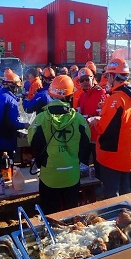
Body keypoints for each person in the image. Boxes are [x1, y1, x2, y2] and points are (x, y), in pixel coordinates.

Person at [28, 75, 90, 213]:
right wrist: (76, 159)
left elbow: (32, 142)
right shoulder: (79, 119)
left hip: (49, 175)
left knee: (50, 215)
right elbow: (86, 144)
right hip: (72, 175)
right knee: (71, 214)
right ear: (70, 96)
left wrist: (42, 161)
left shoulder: (41, 118)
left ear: (52, 94)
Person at [91, 58, 131, 198]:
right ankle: (126, 217)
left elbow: (103, 128)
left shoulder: (116, 99)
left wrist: (95, 121)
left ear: (113, 76)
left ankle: (116, 218)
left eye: (108, 75)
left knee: (112, 194)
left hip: (112, 156)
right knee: (125, 191)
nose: (107, 79)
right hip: (129, 153)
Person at [77, 67, 108, 180]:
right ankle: (85, 188)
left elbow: (106, 116)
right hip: (85, 135)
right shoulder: (82, 96)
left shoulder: (101, 93)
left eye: (87, 79)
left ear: (93, 78)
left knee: (98, 163)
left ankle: (99, 185)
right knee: (83, 161)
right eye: (82, 80)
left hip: (97, 136)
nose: (85, 82)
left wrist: (94, 118)